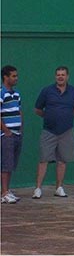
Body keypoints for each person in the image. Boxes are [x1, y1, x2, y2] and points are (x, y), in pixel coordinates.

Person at [33, 66, 74, 199]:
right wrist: (49, 116)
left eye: (63, 75)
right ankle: (38, 189)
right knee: (43, 159)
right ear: (55, 76)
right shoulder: (47, 91)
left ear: (67, 76)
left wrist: (65, 117)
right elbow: (37, 109)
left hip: (67, 131)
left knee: (62, 160)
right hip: (49, 131)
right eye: (58, 75)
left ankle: (59, 188)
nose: (60, 77)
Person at [1, 65, 23, 204]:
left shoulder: (16, 94)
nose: (16, 78)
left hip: (17, 133)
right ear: (5, 77)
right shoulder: (1, 92)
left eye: (16, 76)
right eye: (13, 76)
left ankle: (7, 191)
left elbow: (19, 111)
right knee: (5, 164)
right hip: (6, 136)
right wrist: (6, 131)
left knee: (11, 164)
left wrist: (21, 128)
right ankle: (4, 193)